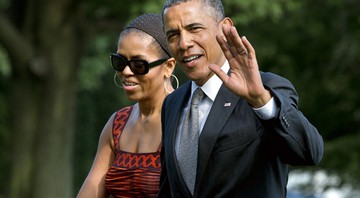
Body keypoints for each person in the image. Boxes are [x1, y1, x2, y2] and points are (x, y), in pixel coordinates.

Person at [158, 0, 324, 197]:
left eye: (194, 28)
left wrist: (261, 100)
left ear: (225, 28)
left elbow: (309, 152)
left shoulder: (266, 89)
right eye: (173, 35)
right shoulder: (172, 103)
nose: (184, 43)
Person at [77, 13, 177, 198]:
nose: (126, 72)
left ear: (168, 66)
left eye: (138, 65)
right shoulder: (117, 124)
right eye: (120, 62)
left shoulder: (184, 121)